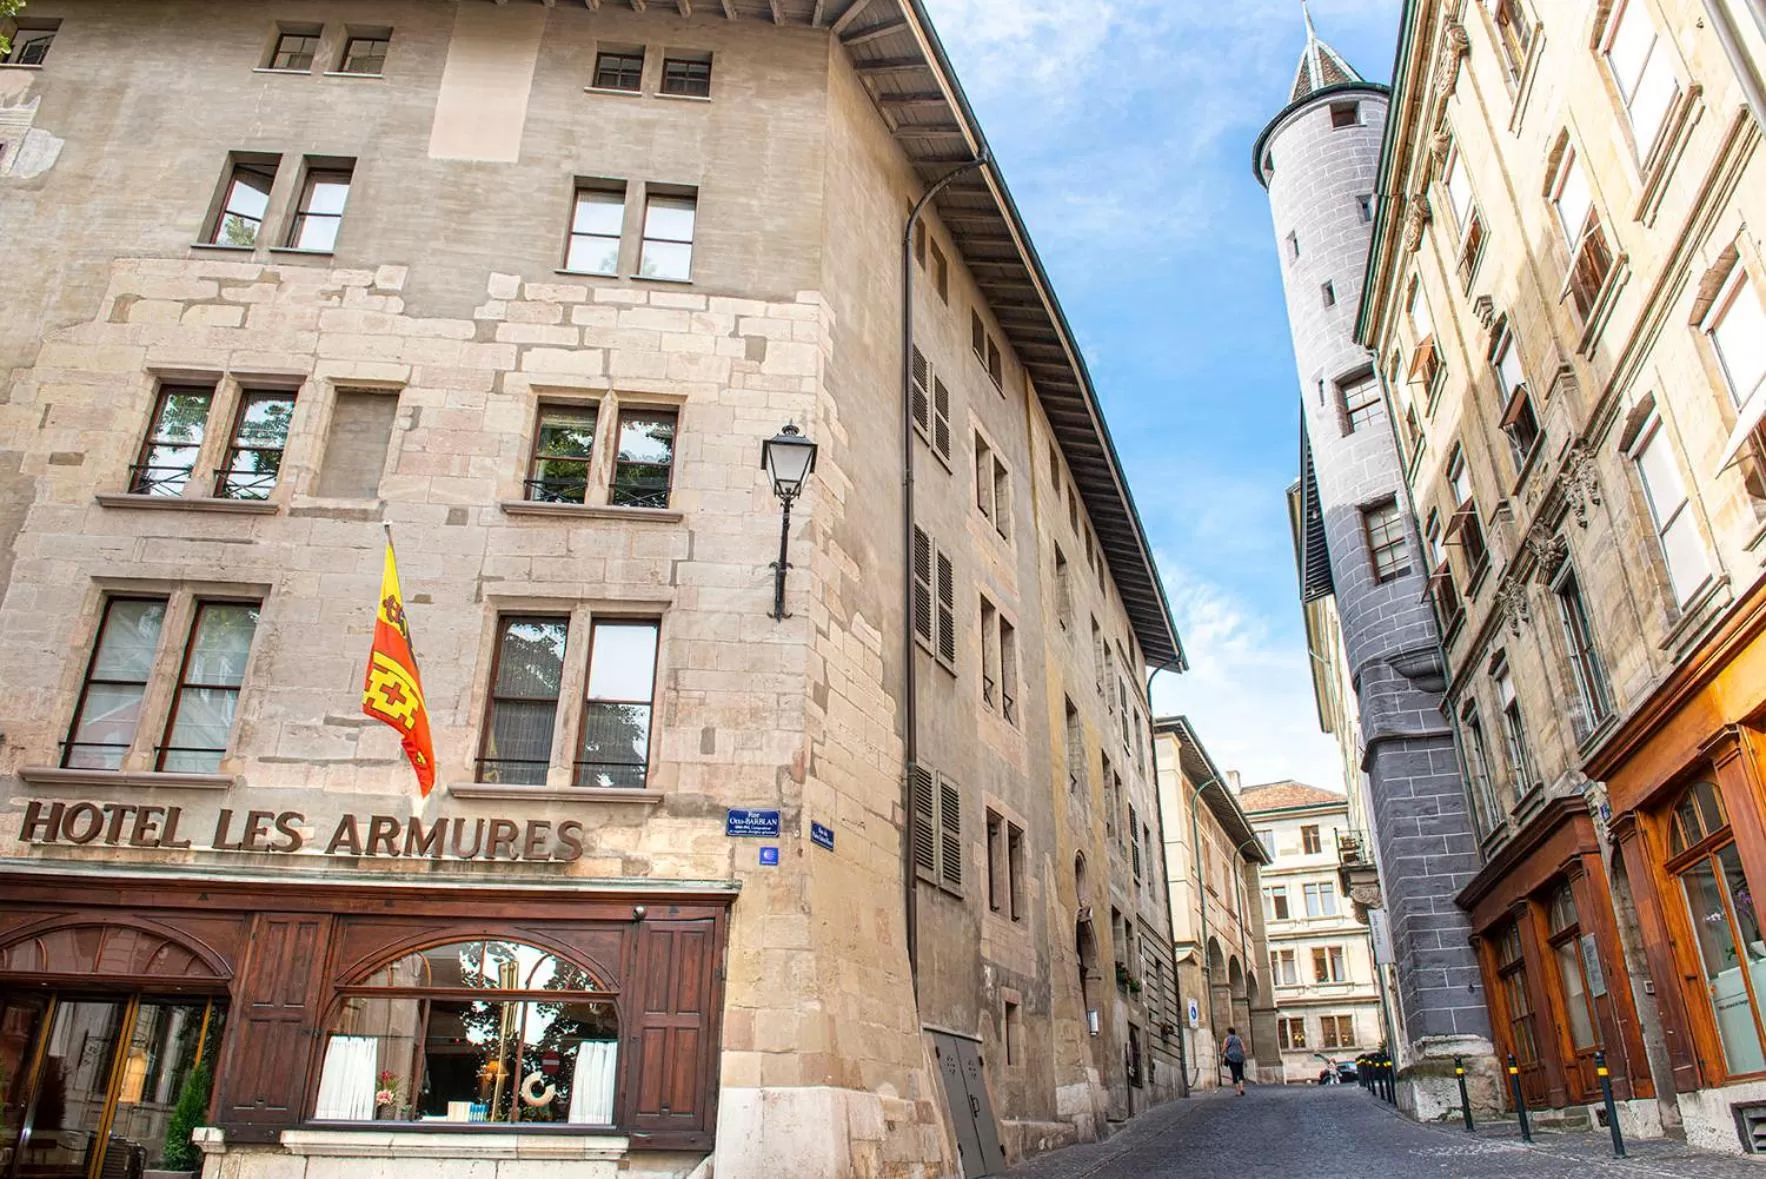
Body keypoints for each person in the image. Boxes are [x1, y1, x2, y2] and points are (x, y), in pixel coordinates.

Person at [1222, 1026, 1248, 1095]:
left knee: (1234, 1074)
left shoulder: (1227, 1039)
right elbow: (1244, 1049)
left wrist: (1222, 1054)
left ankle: (1238, 1091)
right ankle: (1242, 1089)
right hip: (1240, 1057)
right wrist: (1245, 1058)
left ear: (1228, 1032)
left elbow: (1224, 1048)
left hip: (1231, 1057)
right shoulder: (1239, 1038)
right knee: (1240, 1073)